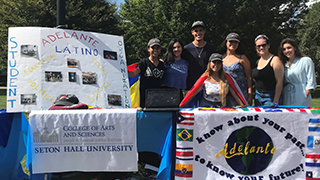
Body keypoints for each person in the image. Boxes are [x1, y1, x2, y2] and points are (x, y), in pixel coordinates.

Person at [180, 53, 244, 108]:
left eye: (218, 63)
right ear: (210, 63)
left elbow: (235, 94)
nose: (216, 65)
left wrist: (242, 105)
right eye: (214, 62)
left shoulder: (226, 79)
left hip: (222, 107)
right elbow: (193, 93)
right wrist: (181, 106)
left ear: (221, 65)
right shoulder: (204, 79)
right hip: (206, 107)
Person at [182, 20, 216, 107]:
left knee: (207, 115)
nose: (198, 33)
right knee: (190, 114)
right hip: (191, 87)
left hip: (208, 87)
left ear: (204, 31)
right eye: (196, 31)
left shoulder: (210, 48)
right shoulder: (186, 49)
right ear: (192, 32)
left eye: (200, 30)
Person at [278, 38, 317, 106]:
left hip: (301, 95)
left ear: (295, 48)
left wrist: (305, 95)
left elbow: (311, 81)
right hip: (287, 96)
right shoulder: (284, 64)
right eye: (284, 49)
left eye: (289, 48)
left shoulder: (305, 60)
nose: (287, 51)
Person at [128, 38, 165, 108]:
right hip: (144, 99)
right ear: (148, 49)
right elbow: (133, 74)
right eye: (153, 48)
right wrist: (124, 71)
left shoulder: (162, 65)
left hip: (158, 99)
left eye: (157, 48)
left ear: (160, 49)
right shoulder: (144, 62)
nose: (155, 50)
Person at [221, 33, 252, 106]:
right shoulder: (220, 58)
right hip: (225, 94)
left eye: (236, 42)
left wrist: (250, 95)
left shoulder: (243, 58)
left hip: (240, 93)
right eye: (231, 41)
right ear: (226, 43)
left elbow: (249, 77)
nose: (233, 44)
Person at [252, 35, 284, 106]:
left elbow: (280, 81)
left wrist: (276, 100)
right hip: (258, 96)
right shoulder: (258, 61)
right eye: (258, 46)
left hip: (270, 96)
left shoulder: (275, 60)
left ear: (268, 45)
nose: (261, 48)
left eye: (264, 45)